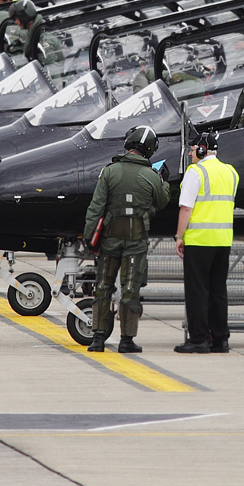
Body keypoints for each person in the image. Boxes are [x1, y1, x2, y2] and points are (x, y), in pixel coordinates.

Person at [83, 125, 170, 353]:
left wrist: (89, 237)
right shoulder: (152, 176)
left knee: (103, 287)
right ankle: (126, 340)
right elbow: (162, 202)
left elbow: (96, 207)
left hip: (110, 241)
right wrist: (165, 182)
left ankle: (98, 338)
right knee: (130, 289)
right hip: (135, 242)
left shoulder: (110, 171)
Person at [174, 131, 240, 354]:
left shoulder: (196, 172)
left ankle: (199, 339)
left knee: (197, 291)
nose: (191, 154)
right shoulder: (231, 172)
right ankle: (220, 339)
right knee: (218, 291)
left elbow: (186, 208)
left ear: (202, 150)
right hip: (223, 240)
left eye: (193, 150)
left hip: (200, 241)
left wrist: (179, 236)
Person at [7, 0, 64, 66]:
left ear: (24, 18)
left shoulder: (43, 42)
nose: (16, 22)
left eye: (16, 19)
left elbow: (54, 72)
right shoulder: (33, 34)